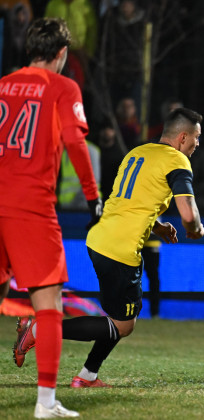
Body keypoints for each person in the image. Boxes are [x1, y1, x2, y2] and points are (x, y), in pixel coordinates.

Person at [13, 108, 204, 390]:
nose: (197, 144)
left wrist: (159, 226)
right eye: (196, 138)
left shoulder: (138, 153)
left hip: (101, 239)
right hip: (121, 249)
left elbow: (132, 204)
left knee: (117, 319)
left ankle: (87, 376)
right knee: (123, 325)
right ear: (182, 137)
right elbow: (189, 215)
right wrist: (195, 228)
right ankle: (39, 330)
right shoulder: (177, 161)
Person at [0, 17, 101, 418]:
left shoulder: (3, 84)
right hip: (30, 206)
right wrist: (93, 197)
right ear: (61, 54)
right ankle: (46, 403)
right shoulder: (62, 86)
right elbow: (76, 142)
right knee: (48, 304)